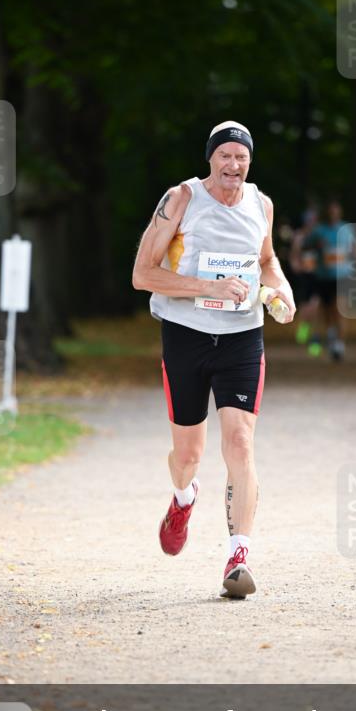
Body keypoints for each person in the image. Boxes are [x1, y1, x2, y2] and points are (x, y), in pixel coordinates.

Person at [132, 120, 296, 598]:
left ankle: (238, 556)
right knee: (188, 456)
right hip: (186, 336)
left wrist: (281, 291)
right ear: (211, 159)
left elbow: (267, 260)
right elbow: (143, 274)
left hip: (243, 338)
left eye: (241, 157)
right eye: (225, 155)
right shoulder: (181, 199)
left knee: (240, 443)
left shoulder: (261, 205)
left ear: (250, 162)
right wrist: (208, 288)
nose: (233, 165)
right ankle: (184, 498)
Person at [308, 199, 355, 361]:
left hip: (343, 275)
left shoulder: (347, 229)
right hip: (324, 276)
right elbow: (306, 247)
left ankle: (339, 345)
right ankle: (331, 337)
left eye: (336, 210)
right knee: (327, 310)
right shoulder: (319, 230)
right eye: (330, 211)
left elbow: (355, 249)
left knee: (340, 309)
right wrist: (317, 246)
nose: (333, 214)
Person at [289, 207, 322, 354]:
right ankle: (303, 331)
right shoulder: (299, 236)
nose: (311, 223)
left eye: (313, 220)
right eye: (309, 220)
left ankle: (314, 338)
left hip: (318, 275)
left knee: (315, 306)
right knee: (305, 308)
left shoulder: (319, 235)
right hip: (304, 276)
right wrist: (297, 266)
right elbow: (294, 255)